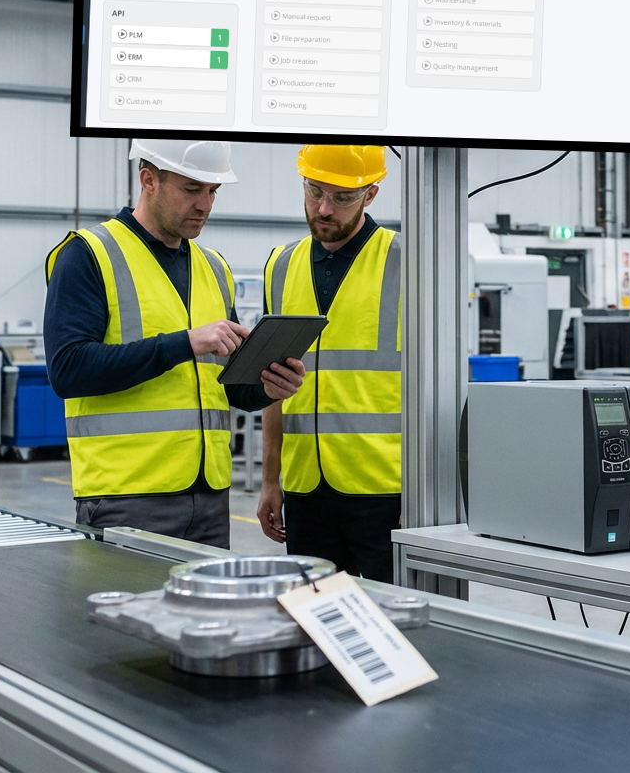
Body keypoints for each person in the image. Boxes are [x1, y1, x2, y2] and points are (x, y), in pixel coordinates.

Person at [44, 140, 305, 547]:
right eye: (191, 189)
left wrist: (264, 387)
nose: (205, 204)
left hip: (210, 496)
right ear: (149, 180)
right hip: (127, 494)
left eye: (213, 191)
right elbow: (68, 370)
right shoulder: (88, 255)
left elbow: (227, 385)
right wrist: (183, 343)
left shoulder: (214, 267)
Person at [257, 145, 401, 582]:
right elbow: (271, 382)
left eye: (342, 198)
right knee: (311, 623)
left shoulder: (406, 261)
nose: (323, 209)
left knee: (387, 626)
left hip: (386, 489)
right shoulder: (281, 266)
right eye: (314, 191)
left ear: (370, 195)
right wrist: (270, 480)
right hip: (305, 487)